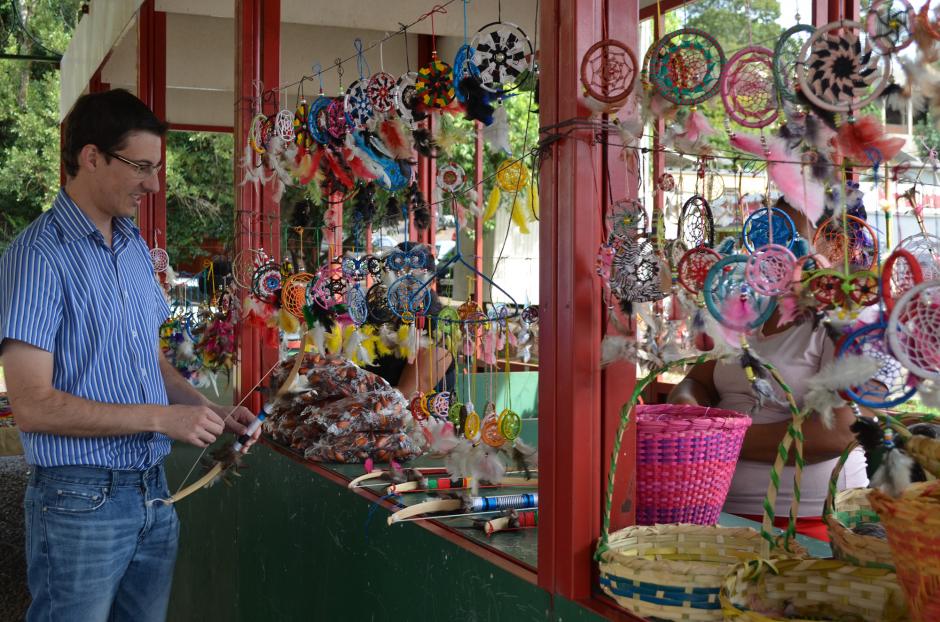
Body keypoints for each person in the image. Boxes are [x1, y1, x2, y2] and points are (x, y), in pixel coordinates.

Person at [0, 89, 259, 622]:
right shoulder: (37, 257)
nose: (154, 183)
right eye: (141, 166)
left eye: (156, 167)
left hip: (152, 492)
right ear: (91, 157)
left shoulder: (133, 245)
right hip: (79, 501)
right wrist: (164, 418)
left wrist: (209, 409)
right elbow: (31, 405)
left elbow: (146, 362)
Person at [667, 198, 867, 541]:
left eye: (792, 239)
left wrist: (716, 440)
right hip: (715, 507)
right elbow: (697, 380)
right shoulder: (743, 312)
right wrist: (685, 406)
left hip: (809, 522)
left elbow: (840, 433)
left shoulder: (836, 320)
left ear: (826, 246)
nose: (777, 251)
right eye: (766, 238)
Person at [364, 241, 456, 395]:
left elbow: (405, 394)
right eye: (398, 276)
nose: (406, 287)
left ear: (430, 282)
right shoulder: (376, 319)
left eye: (415, 279)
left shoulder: (438, 329)